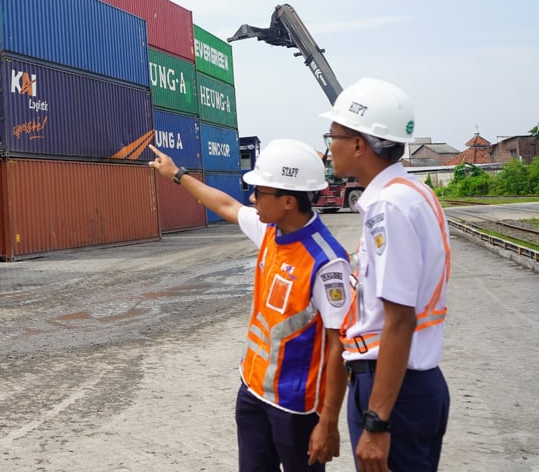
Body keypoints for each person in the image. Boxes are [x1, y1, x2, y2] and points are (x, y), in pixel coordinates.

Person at [149, 139, 351, 471]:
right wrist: (176, 173)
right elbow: (225, 205)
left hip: (296, 408)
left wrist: (328, 422)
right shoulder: (270, 230)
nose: (253, 198)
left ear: (288, 201)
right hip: (253, 391)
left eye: (260, 191)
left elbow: (338, 345)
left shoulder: (327, 263)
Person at [320, 77, 451, 472]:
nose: (328, 147)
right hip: (404, 385)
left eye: (333, 136)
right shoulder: (410, 192)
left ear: (359, 145)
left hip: (393, 390)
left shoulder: (389, 206)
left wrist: (377, 422)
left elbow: (399, 319)